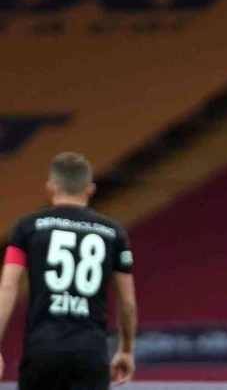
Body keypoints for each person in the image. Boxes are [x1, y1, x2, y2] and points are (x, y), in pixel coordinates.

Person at [0, 152, 138, 389]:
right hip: (90, 354)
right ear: (90, 189)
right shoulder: (114, 233)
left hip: (41, 351)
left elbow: (7, 287)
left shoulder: (27, 228)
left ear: (51, 187)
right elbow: (127, 303)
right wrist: (126, 350)